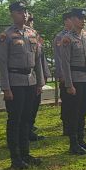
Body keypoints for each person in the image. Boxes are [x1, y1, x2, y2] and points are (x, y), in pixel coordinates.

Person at [0, 1, 44, 170]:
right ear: (12, 14)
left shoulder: (32, 33)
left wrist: (40, 82)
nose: (23, 14)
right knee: (15, 120)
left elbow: (38, 59)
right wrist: (6, 88)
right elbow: (2, 63)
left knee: (27, 120)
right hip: (15, 82)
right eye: (19, 12)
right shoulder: (6, 35)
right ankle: (15, 157)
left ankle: (25, 153)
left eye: (25, 11)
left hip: (30, 81)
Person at [56, 8, 86, 155]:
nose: (83, 20)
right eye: (80, 18)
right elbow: (65, 63)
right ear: (72, 19)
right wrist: (69, 84)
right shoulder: (67, 38)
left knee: (83, 110)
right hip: (75, 79)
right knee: (74, 112)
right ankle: (73, 143)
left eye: (84, 18)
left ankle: (81, 139)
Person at [26, 12, 50, 142]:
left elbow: (41, 58)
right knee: (27, 107)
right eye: (29, 20)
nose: (30, 22)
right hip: (26, 77)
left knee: (35, 104)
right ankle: (26, 132)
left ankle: (30, 128)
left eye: (31, 20)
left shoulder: (35, 36)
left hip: (36, 76)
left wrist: (45, 75)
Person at [55, 11, 73, 135]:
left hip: (77, 74)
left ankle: (76, 124)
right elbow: (59, 57)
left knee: (77, 102)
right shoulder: (60, 37)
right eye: (71, 19)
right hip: (66, 75)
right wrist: (62, 74)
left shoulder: (79, 35)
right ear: (66, 21)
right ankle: (67, 126)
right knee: (67, 102)